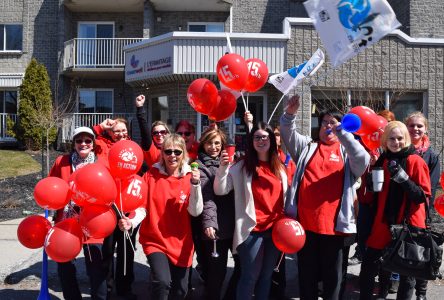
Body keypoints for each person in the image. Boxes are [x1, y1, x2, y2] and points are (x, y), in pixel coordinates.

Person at [280, 95, 370, 300]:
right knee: (306, 278)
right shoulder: (307, 147)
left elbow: (363, 160)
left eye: (333, 122)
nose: (328, 126)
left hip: (334, 230)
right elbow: (287, 132)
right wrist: (289, 114)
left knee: (333, 280)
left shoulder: (346, 151)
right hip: (305, 226)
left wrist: (343, 133)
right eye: (324, 122)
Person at [214, 121, 287, 300]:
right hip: (251, 231)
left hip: (275, 231)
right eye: (256, 137)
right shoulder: (241, 167)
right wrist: (223, 168)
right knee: (249, 277)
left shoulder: (280, 167)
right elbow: (220, 189)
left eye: (265, 137)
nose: (261, 140)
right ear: (251, 140)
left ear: (272, 139)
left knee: (266, 276)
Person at [358, 121, 431, 300]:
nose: (396, 142)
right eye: (392, 138)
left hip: (408, 224)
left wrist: (402, 177)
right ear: (385, 140)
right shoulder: (383, 159)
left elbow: (422, 197)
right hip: (383, 222)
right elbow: (372, 196)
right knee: (369, 267)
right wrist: (369, 181)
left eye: (400, 138)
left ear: (406, 139)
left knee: (407, 274)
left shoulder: (416, 161)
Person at [138, 134, 203, 300]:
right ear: (162, 153)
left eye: (177, 151)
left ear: (183, 153)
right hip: (155, 239)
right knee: (162, 282)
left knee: (181, 290)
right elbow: (141, 206)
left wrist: (195, 186)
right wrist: (130, 221)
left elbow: (195, 211)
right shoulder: (151, 175)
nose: (172, 155)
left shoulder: (191, 177)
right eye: (168, 151)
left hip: (181, 242)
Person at [50, 126, 108, 300]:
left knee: (95, 266)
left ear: (93, 143)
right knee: (64, 266)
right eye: (79, 140)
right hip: (67, 221)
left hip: (92, 221)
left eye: (88, 140)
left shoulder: (101, 163)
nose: (83, 144)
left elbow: (108, 191)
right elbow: (52, 185)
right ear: (73, 143)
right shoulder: (62, 162)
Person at [92, 117, 141, 299]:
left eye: (123, 130)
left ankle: (125, 289)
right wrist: (100, 127)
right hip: (108, 206)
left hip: (129, 205)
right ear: (110, 133)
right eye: (116, 131)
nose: (120, 134)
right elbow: (86, 138)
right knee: (107, 250)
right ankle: (108, 289)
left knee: (126, 250)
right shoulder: (102, 146)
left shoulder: (132, 149)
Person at [195, 128, 239, 300]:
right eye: (209, 143)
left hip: (234, 226)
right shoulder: (200, 166)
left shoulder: (233, 163)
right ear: (203, 144)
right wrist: (210, 223)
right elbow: (207, 198)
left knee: (243, 267)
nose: (213, 147)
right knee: (216, 275)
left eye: (217, 143)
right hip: (215, 230)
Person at [405, 112, 440, 300]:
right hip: (401, 210)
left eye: (419, 126)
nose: (415, 129)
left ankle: (421, 293)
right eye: (411, 125)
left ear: (425, 129)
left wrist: (426, 212)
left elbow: (432, 188)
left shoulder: (431, 155)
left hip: (421, 211)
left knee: (422, 251)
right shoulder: (400, 149)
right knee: (406, 253)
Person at [135, 94, 171, 168]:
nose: (159, 134)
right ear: (152, 136)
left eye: (162, 132)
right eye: (155, 133)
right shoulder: (151, 150)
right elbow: (144, 130)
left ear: (167, 133)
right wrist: (140, 107)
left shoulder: (174, 148)